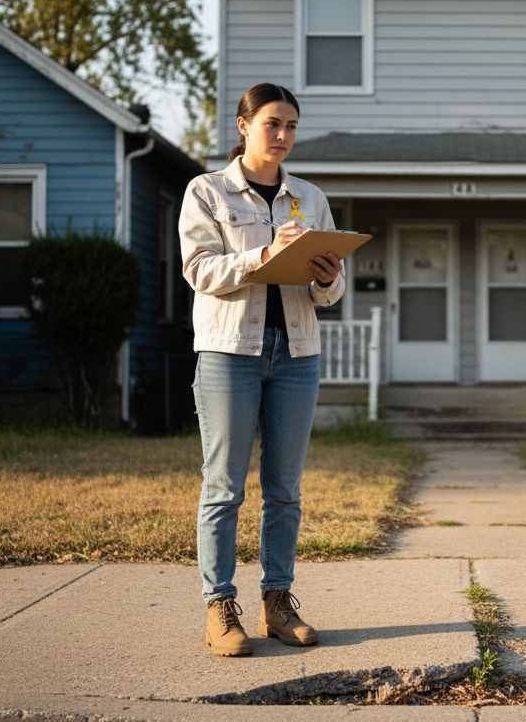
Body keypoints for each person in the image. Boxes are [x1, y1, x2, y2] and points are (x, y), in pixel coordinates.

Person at [178, 82, 344, 657]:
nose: (283, 135)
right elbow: (199, 270)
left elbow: (331, 293)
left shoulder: (310, 197)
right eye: (273, 123)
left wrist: (325, 274)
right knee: (224, 487)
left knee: (285, 489)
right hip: (230, 354)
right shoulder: (207, 192)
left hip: (296, 355)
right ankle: (220, 607)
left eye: (292, 126)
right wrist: (265, 254)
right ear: (244, 126)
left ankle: (278, 603)